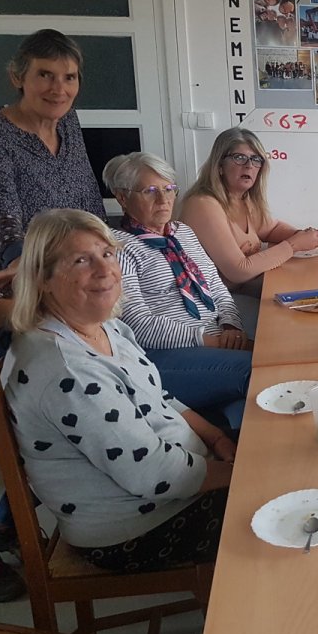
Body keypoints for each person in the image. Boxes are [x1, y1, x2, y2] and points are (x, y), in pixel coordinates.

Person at [1, 209, 234, 574]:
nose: (105, 269)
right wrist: (238, 474)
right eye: (81, 260)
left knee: (281, 450)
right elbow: (154, 474)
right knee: (281, 502)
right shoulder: (66, 370)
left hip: (180, 480)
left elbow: (159, 396)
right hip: (137, 526)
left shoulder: (105, 326)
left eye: (107, 254)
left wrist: (218, 438)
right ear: (43, 279)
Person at [0, 29, 106, 602]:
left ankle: (6, 520)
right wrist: (26, 270)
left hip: (53, 289)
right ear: (18, 75)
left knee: (38, 416)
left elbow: (86, 205)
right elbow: (3, 218)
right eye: (45, 74)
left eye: (69, 77)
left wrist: (106, 260)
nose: (58, 88)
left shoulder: (68, 126)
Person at [104, 153, 252, 431]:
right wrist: (214, 341)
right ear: (122, 198)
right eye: (150, 191)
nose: (164, 200)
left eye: (169, 189)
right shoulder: (118, 248)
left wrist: (231, 324)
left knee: (252, 404)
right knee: (255, 369)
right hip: (163, 356)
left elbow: (216, 288)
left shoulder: (183, 233)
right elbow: (138, 325)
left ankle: (240, 452)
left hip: (215, 342)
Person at [178, 127, 318, 308]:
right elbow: (238, 271)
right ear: (220, 165)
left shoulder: (241, 198)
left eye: (256, 160)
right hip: (217, 305)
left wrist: (302, 235)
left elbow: (270, 228)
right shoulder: (202, 204)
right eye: (239, 158)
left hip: (244, 289)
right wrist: (294, 245)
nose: (249, 166)